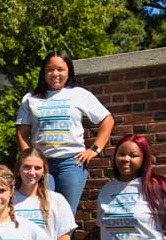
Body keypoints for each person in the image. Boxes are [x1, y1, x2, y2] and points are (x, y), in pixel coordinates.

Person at [16, 51, 115, 214]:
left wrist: (95, 149)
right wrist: (29, 158)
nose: (55, 74)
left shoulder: (79, 94)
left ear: (68, 71)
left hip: (72, 164)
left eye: (60, 69)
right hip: (42, 164)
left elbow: (107, 120)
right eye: (50, 69)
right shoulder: (30, 98)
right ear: (44, 72)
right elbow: (21, 132)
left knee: (66, 215)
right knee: (44, 212)